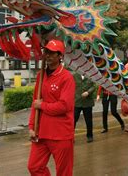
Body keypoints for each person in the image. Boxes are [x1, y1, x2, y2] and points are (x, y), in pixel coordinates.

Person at [27, 40, 76, 176]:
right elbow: (34, 103)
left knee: (63, 172)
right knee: (34, 167)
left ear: (60, 56)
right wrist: (31, 126)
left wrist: (42, 105)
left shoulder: (67, 77)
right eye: (46, 51)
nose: (47, 55)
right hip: (41, 132)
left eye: (51, 52)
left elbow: (64, 106)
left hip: (61, 134)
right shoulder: (40, 76)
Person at [73, 71, 96, 143]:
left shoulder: (90, 74)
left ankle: (90, 136)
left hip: (87, 102)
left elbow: (94, 86)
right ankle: (70, 136)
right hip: (77, 102)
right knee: (73, 120)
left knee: (88, 121)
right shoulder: (74, 75)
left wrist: (88, 92)